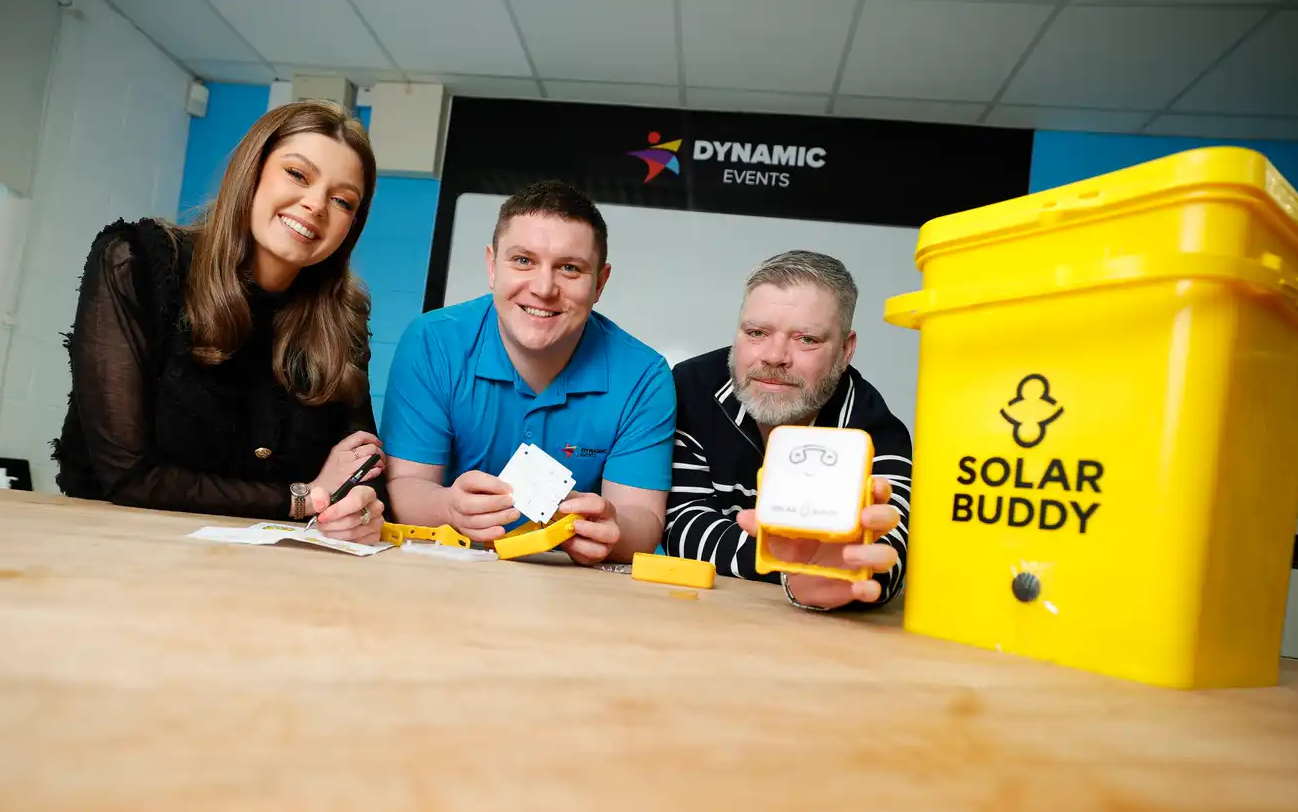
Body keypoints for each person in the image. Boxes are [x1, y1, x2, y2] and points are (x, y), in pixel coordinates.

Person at [51, 100, 387, 543]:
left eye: (342, 200)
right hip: (118, 552)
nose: (315, 204)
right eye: (297, 174)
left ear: (352, 225)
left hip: (273, 573)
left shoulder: (341, 319)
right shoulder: (137, 263)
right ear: (252, 173)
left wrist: (360, 510)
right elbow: (129, 474)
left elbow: (361, 466)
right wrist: (302, 498)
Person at [380, 180, 676, 565]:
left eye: (569, 268)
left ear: (599, 283)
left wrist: (610, 527)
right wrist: (448, 507)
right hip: (445, 573)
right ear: (491, 266)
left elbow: (645, 520)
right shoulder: (432, 342)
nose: (543, 288)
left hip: (574, 592)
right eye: (523, 261)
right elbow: (404, 487)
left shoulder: (644, 376)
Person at [664, 250, 911, 611]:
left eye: (807, 339)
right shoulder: (689, 389)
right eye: (756, 333)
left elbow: (883, 560)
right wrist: (793, 565)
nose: (775, 356)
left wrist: (822, 572)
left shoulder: (877, 432)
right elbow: (682, 526)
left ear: (845, 350)